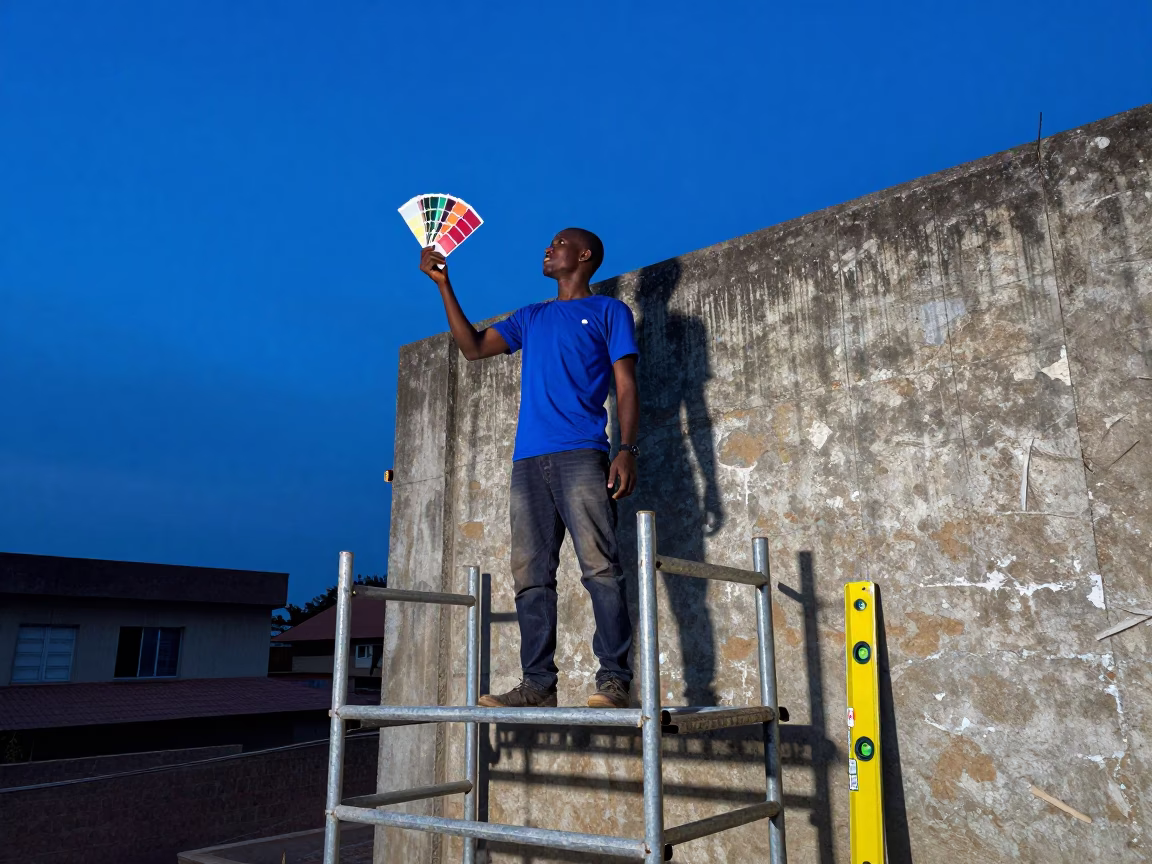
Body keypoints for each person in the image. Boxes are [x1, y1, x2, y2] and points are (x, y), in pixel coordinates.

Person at [419, 228, 639, 709]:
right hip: (527, 463)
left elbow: (625, 385)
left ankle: (614, 681)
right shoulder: (531, 316)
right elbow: (473, 348)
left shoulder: (609, 312)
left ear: (583, 255)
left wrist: (627, 449)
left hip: (582, 454)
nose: (548, 247)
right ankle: (538, 684)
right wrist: (443, 285)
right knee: (531, 576)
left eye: (559, 243)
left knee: (601, 569)